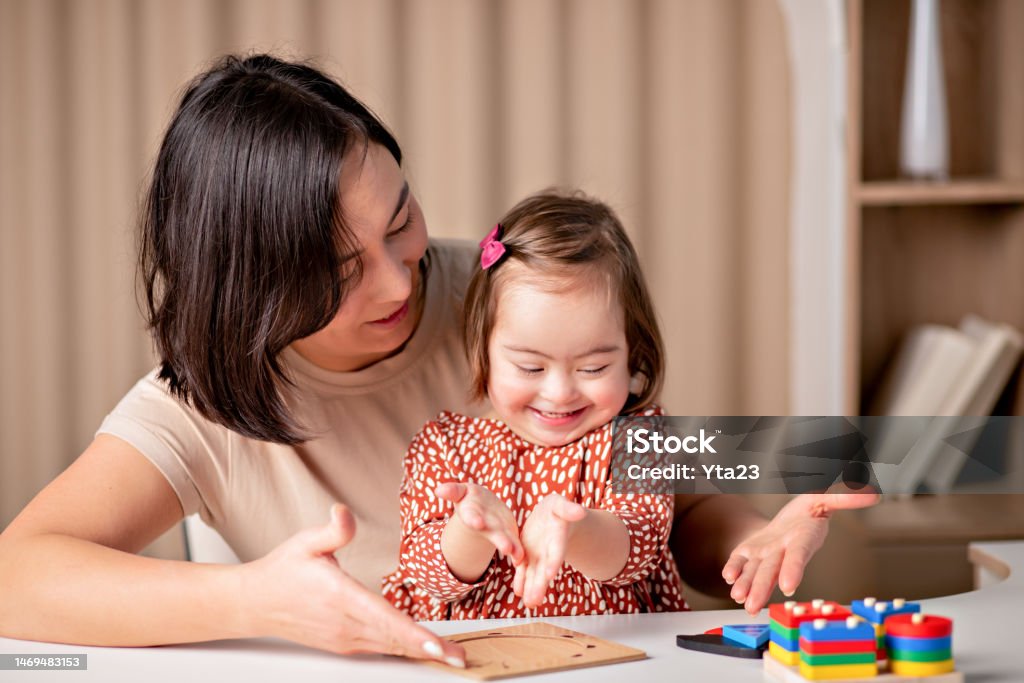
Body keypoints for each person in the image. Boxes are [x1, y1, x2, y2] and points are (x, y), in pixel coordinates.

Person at [0, 54, 876, 663]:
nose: (401, 280)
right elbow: (19, 573)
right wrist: (253, 600)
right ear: (255, 289)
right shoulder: (203, 403)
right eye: (344, 271)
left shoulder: (506, 299)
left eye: (401, 218)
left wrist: (752, 536)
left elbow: (675, 494)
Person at [383, 191, 687, 619]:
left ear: (633, 351)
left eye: (595, 367)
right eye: (530, 367)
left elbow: (642, 545)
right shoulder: (446, 445)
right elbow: (425, 575)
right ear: (483, 352)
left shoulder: (640, 436)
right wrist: (470, 531)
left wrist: (576, 530)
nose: (560, 393)